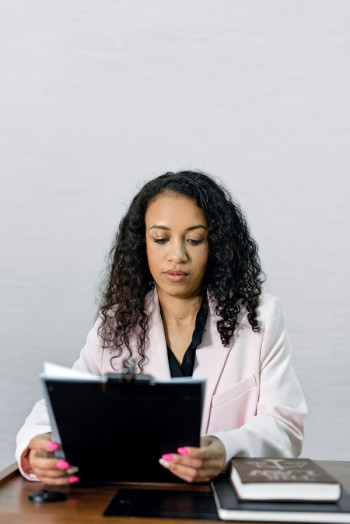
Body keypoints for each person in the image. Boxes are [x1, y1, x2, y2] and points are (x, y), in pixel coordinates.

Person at [15, 170, 307, 485]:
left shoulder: (260, 318)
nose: (177, 255)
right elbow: (63, 404)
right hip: (136, 497)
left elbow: (284, 426)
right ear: (142, 244)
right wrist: (38, 444)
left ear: (217, 247)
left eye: (194, 240)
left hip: (220, 500)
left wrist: (225, 448)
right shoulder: (116, 323)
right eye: (161, 239)